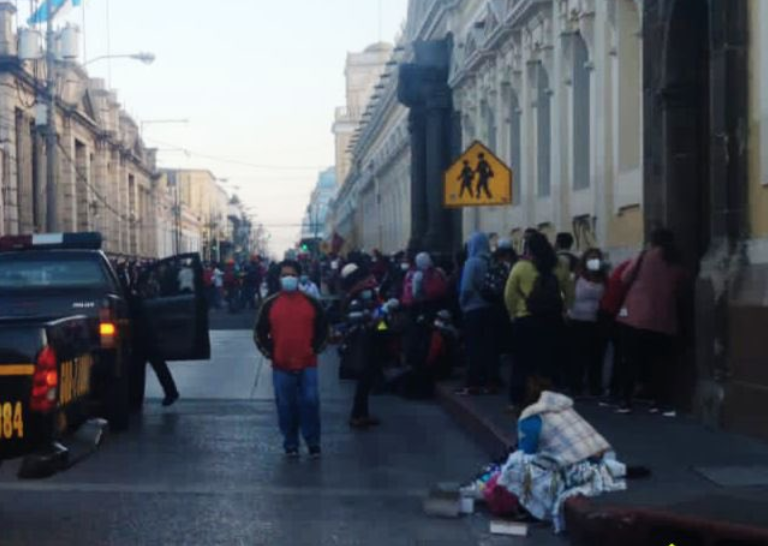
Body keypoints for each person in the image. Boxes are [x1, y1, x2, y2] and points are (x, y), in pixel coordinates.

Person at [494, 378, 626, 533]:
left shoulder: (530, 418)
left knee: (517, 464)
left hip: (582, 471)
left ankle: (533, 511)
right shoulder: (559, 406)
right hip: (602, 461)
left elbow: (527, 454)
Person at [254, 260, 328, 458]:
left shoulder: (311, 302)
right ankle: (291, 444)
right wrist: (272, 353)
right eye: (285, 275)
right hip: (281, 366)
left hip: (308, 364)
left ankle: (313, 443)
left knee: (310, 402)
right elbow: (260, 333)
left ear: (299, 277)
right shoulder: (270, 304)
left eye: (293, 275)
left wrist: (314, 349)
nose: (289, 278)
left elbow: (323, 329)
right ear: (279, 278)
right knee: (286, 406)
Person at [615, 229, 687, 416]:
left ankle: (626, 401)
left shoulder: (645, 255)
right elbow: (680, 286)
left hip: (635, 315)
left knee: (630, 359)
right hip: (664, 316)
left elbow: (625, 277)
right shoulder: (677, 259)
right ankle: (658, 401)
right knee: (659, 361)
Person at [504, 232, 572, 410]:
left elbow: (509, 295)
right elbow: (570, 292)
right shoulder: (561, 265)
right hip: (552, 320)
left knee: (521, 363)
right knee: (548, 362)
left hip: (525, 320)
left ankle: (518, 401)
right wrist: (564, 309)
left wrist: (514, 313)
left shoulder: (521, 267)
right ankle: (546, 400)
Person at [456, 232, 495, 396]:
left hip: (473, 309)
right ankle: (489, 381)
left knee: (473, 348)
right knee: (488, 348)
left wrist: (462, 304)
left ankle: (472, 383)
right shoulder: (491, 261)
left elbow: (466, 288)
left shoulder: (472, 262)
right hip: (490, 308)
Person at [567, 249, 608, 397]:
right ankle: (575, 386)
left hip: (597, 321)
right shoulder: (576, 277)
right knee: (578, 356)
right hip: (577, 319)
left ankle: (594, 386)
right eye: (591, 258)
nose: (594, 261)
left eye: (597, 258)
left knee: (596, 356)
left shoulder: (603, 278)